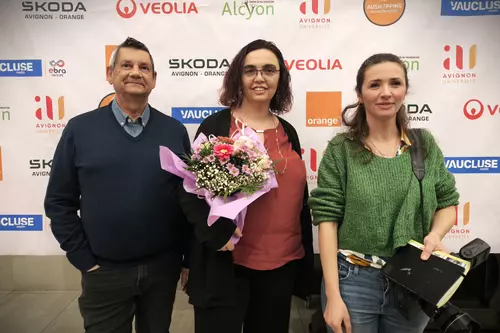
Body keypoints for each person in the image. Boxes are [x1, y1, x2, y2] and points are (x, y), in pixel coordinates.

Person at [44, 37, 190, 333]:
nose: (136, 72)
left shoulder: (174, 131)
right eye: (126, 65)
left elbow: (187, 200)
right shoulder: (80, 129)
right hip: (104, 272)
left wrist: (186, 259)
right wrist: (85, 261)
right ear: (110, 75)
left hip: (163, 271)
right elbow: (59, 201)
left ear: (154, 80)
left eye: (144, 67)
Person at [308, 53, 460, 333]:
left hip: (413, 281)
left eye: (395, 83)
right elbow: (327, 221)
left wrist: (435, 235)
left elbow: (448, 203)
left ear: (405, 90)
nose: (386, 93)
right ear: (360, 93)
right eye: (375, 85)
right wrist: (333, 296)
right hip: (353, 280)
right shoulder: (341, 149)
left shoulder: (423, 144)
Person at [177, 39, 314, 333]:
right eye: (250, 70)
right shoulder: (215, 127)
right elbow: (189, 191)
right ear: (238, 77)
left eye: (269, 69)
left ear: (281, 77)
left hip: (280, 265)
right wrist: (214, 233)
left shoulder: (288, 131)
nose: (260, 77)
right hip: (226, 265)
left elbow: (298, 199)